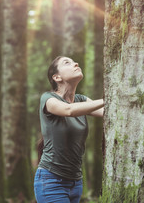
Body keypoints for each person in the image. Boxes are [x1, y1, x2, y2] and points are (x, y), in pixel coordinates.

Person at [34, 56, 104, 203]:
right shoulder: (48, 98)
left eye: (74, 61)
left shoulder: (81, 100)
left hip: (76, 183)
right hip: (51, 181)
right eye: (67, 63)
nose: (76, 63)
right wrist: (108, 98)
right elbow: (68, 110)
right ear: (57, 77)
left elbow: (106, 112)